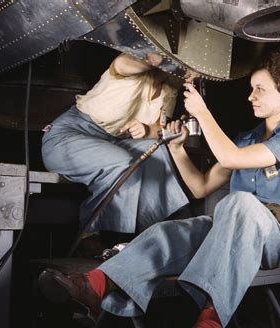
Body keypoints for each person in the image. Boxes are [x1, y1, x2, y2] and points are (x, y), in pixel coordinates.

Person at [38, 51, 280, 328]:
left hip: (275, 238)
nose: (250, 96)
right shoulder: (245, 138)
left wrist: (203, 113)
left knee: (239, 202)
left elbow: (230, 160)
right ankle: (94, 286)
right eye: (250, 87)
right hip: (232, 229)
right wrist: (176, 148)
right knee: (171, 231)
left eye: (260, 89)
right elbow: (200, 186)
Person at [41, 52, 189, 234]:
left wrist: (147, 129)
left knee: (156, 152)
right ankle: (92, 234)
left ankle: (151, 232)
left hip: (112, 143)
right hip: (68, 137)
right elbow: (123, 64)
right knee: (121, 162)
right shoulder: (128, 67)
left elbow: (159, 128)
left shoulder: (169, 89)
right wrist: (173, 56)